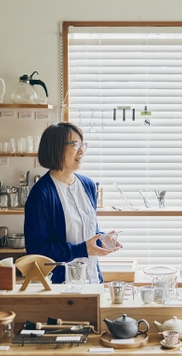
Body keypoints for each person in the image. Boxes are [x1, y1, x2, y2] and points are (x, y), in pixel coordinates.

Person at [24, 121, 119, 284]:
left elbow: (88, 229)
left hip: (93, 278)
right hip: (61, 285)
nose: (82, 151)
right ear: (57, 148)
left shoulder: (88, 185)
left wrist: (101, 239)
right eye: (75, 145)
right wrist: (82, 249)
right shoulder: (41, 193)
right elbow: (36, 248)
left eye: (83, 145)